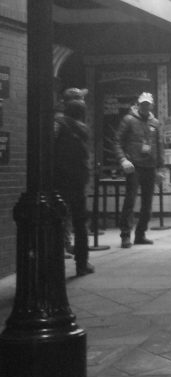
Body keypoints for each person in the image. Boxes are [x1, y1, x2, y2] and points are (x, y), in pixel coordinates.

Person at [114, 92, 164, 249]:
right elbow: (117, 142)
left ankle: (140, 234)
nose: (145, 106)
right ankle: (125, 235)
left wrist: (160, 168)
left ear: (152, 105)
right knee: (130, 201)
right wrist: (123, 159)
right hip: (134, 166)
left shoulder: (155, 122)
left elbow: (159, 146)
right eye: (143, 103)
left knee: (147, 203)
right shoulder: (128, 120)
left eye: (148, 104)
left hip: (150, 167)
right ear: (138, 104)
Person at [53, 88, 94, 277]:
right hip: (78, 180)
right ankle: (82, 264)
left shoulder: (58, 124)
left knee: (57, 220)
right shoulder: (83, 128)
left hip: (60, 179)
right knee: (80, 222)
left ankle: (55, 262)